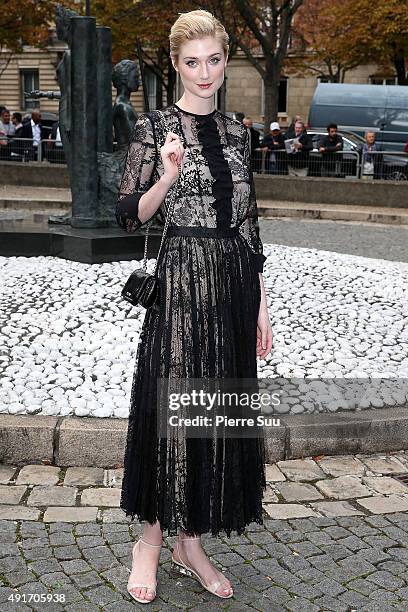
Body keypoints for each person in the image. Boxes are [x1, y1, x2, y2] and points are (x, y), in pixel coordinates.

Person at [115, 9, 272, 605]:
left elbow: (250, 225)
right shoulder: (156, 127)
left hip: (232, 285)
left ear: (225, 61)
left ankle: (192, 541)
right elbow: (130, 215)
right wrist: (168, 176)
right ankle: (150, 542)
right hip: (181, 282)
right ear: (176, 64)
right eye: (191, 62)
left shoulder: (238, 132)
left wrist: (260, 305)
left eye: (213, 60)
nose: (204, 72)